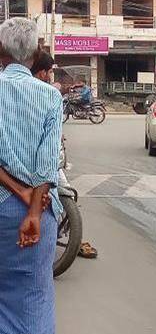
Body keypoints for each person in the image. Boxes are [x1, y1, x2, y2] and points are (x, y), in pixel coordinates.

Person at [0, 18, 63, 334]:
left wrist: (16, 190)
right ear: (36, 54)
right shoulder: (50, 97)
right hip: (32, 213)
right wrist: (34, 210)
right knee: (32, 297)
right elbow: (46, 163)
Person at [30, 49, 98, 260]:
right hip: (34, 157)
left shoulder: (50, 92)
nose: (50, 75)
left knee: (64, 190)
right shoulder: (46, 93)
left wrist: (58, 136)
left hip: (45, 155)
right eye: (50, 71)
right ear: (43, 72)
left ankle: (69, 236)